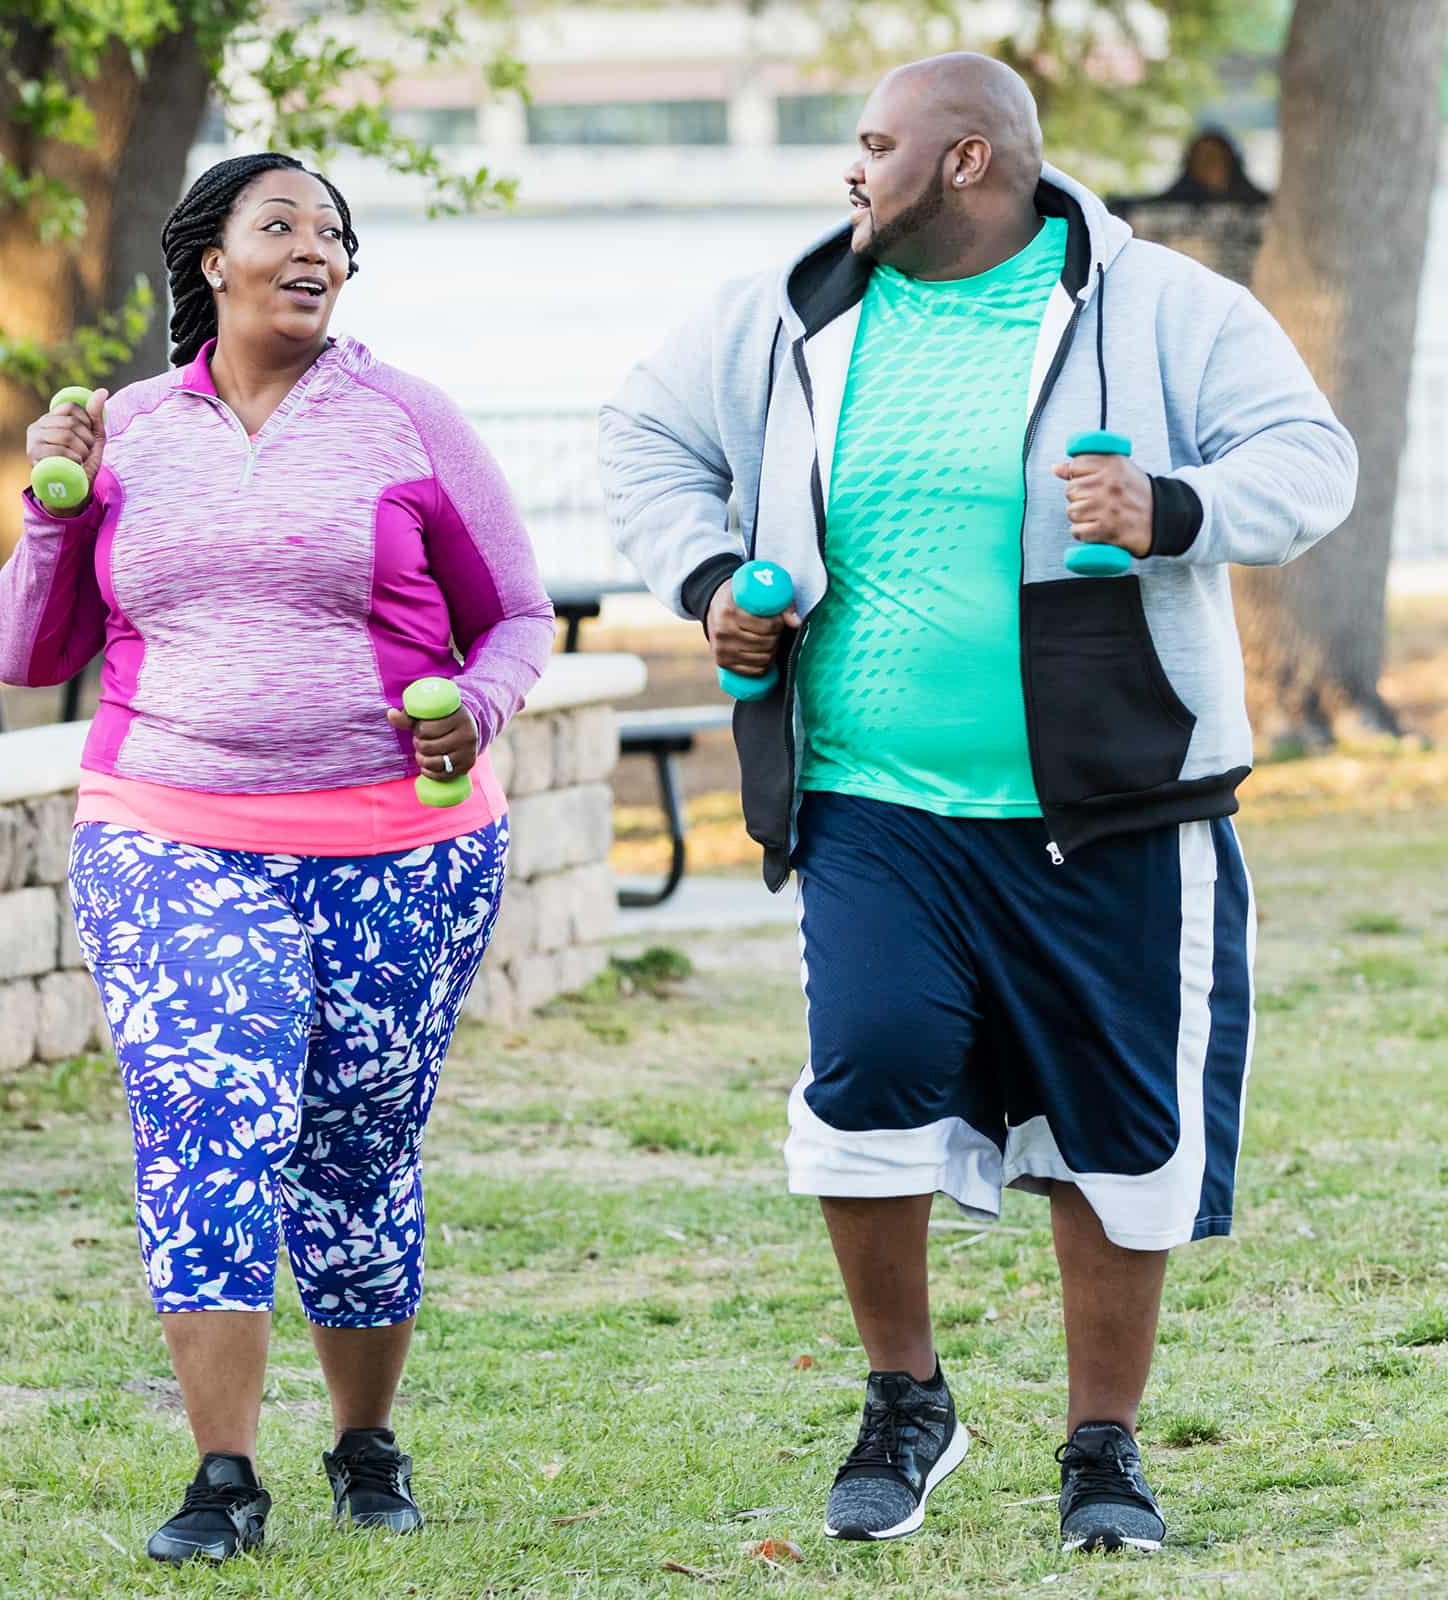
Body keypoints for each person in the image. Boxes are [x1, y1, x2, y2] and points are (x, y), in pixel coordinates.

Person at [599, 55, 1356, 1554]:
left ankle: (1104, 1450)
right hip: (873, 799)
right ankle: (906, 1400)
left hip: (1116, 798)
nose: (850, 169)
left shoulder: (1157, 308)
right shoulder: (791, 310)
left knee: (1122, 1136)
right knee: (865, 1079)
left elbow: (1310, 461)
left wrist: (1170, 505)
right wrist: (708, 585)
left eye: (875, 144)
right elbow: (644, 441)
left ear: (965, 163)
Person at [0, 152, 554, 1563]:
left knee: (358, 1149)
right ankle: (223, 1477)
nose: (314, 248)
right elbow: (26, 651)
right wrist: (53, 517)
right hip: (169, 826)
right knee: (209, 1123)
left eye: (335, 233)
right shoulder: (121, 432)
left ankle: (367, 1442)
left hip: (399, 848)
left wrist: (469, 715)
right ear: (210, 262)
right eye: (280, 225)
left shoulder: (408, 422)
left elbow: (519, 618)